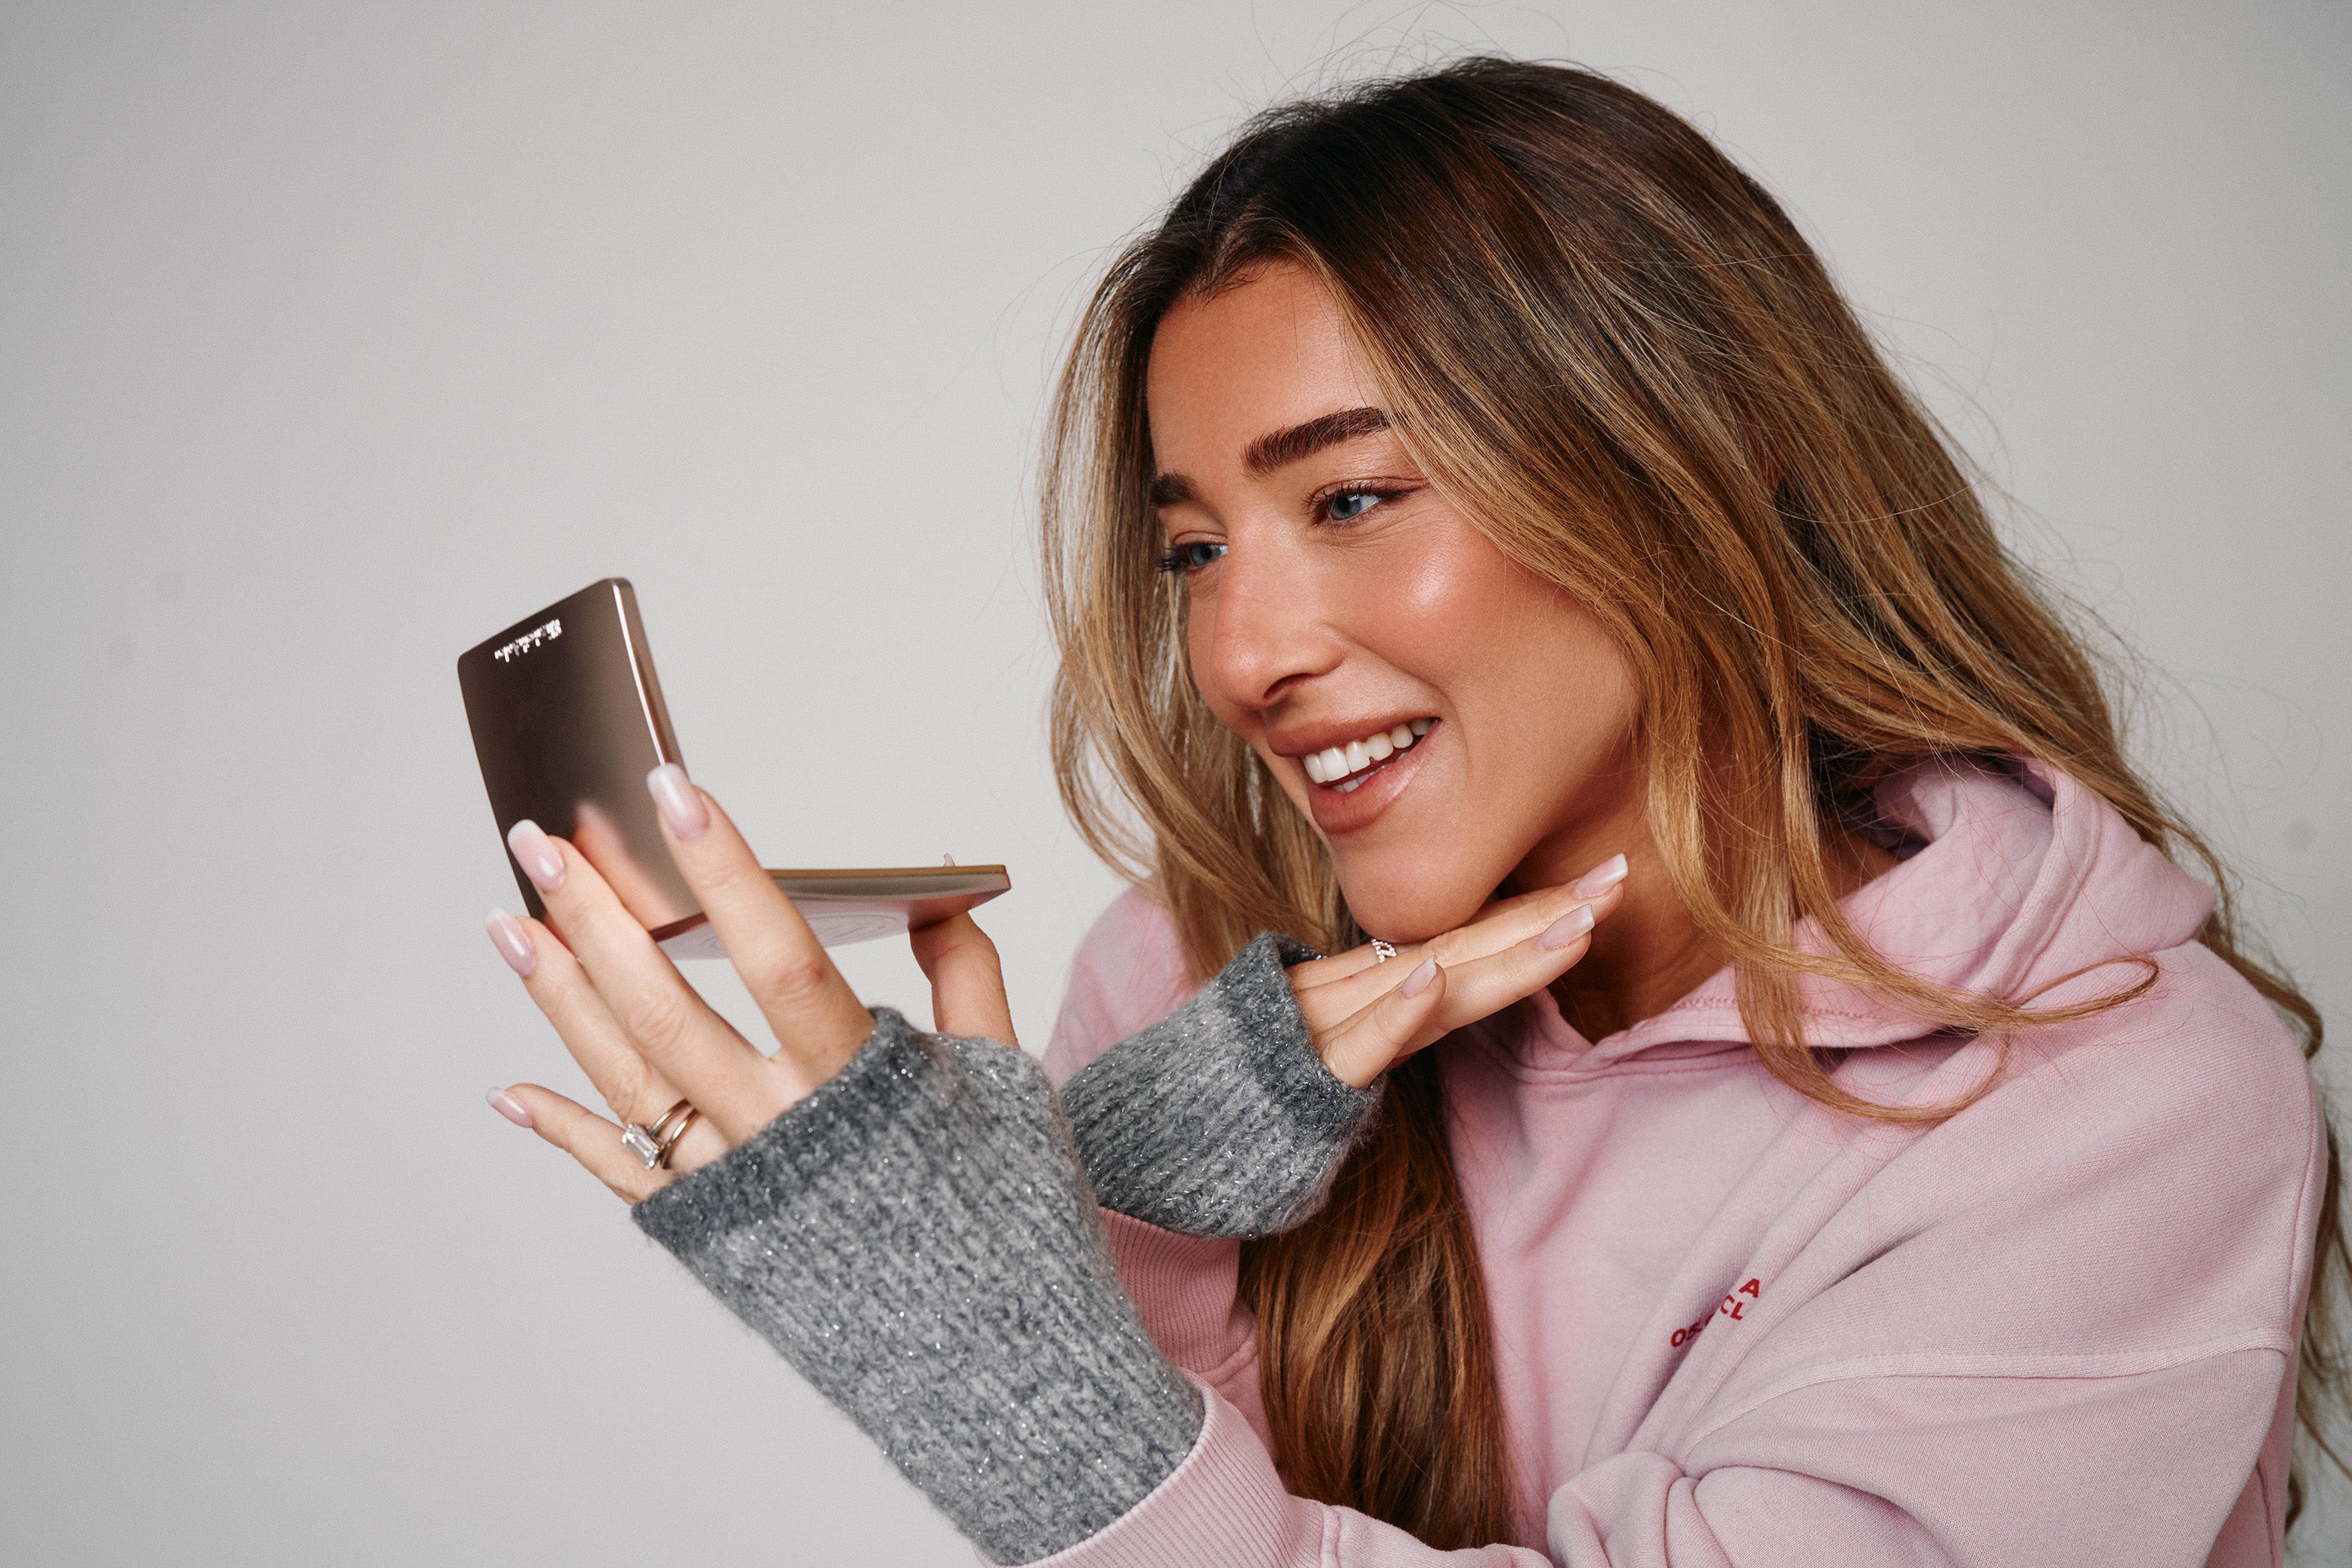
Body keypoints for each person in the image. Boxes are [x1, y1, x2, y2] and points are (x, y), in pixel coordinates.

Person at [478, 58, 2340, 1566]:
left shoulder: (2111, 1094)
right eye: (1193, 548)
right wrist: (1107, 1195)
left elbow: (1116, 1488)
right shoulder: (1188, 984)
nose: (1239, 652)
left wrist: (1015, 1378)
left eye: (1351, 498)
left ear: (1699, 440)